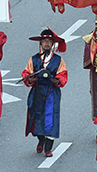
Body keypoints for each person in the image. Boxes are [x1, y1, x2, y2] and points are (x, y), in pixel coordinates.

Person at [22, 29, 68, 157]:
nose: (46, 44)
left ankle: (48, 148)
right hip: (37, 91)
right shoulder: (34, 59)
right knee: (37, 116)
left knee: (50, 117)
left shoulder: (59, 60)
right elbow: (26, 74)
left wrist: (54, 79)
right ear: (40, 43)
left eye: (49, 41)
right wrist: (31, 78)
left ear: (53, 44)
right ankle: (40, 139)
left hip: (52, 92)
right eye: (44, 41)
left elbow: (63, 76)